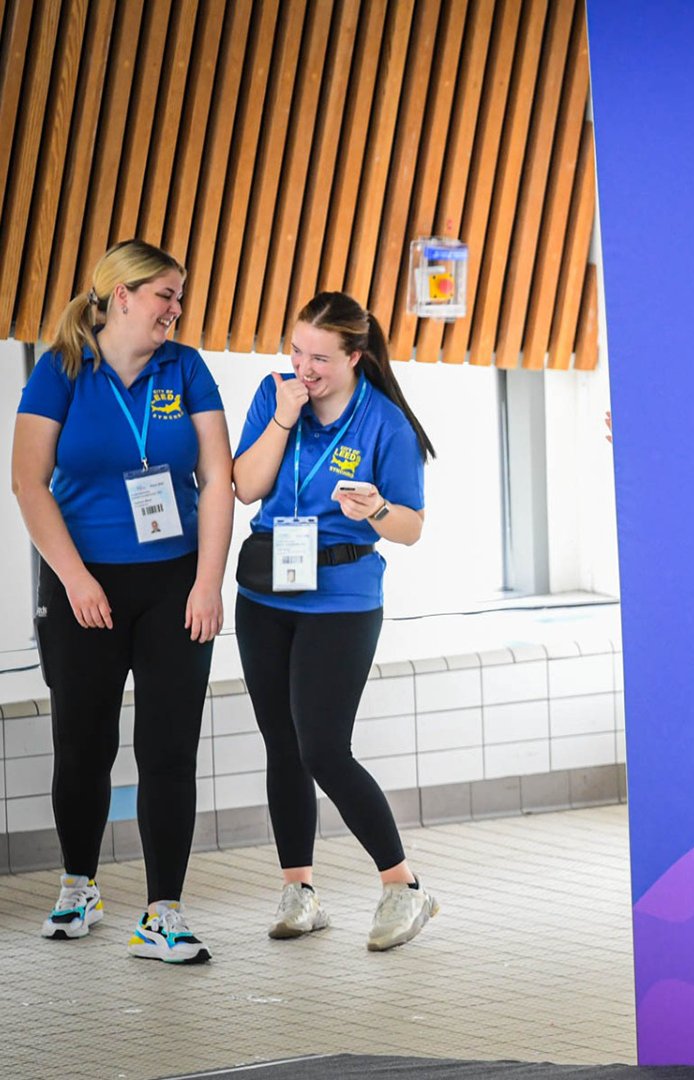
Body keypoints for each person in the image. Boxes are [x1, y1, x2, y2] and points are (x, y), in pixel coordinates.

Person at [11, 239, 233, 963]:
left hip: (172, 582)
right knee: (84, 745)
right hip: (83, 583)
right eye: (165, 293)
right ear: (122, 296)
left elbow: (217, 479)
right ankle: (80, 884)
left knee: (168, 749)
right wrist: (74, 579)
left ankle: (163, 911)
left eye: (180, 295)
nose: (176, 307)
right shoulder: (62, 370)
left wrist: (206, 582)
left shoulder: (187, 368)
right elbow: (29, 483)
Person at [232, 291, 438, 950]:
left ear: (355, 356)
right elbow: (246, 485)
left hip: (342, 598)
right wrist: (283, 419)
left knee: (323, 747)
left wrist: (376, 509)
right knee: (283, 746)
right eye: (296, 351)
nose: (304, 366)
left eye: (319, 357)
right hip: (266, 594)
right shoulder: (276, 397)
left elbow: (410, 529)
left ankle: (404, 887)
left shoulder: (386, 426)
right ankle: (299, 890)